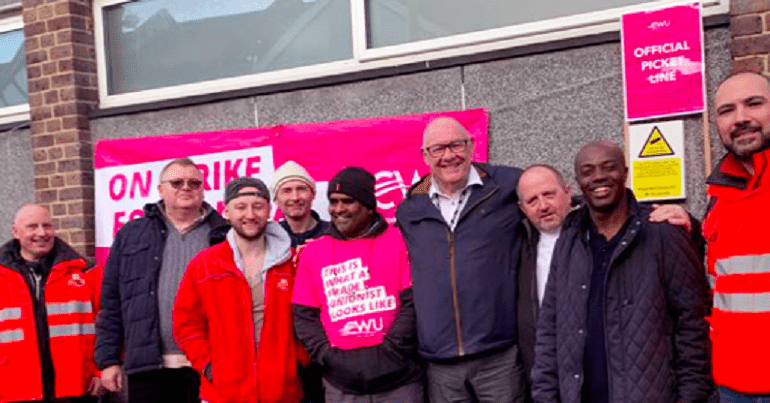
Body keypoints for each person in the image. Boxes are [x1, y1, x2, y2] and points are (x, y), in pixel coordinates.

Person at [531, 141, 712, 403]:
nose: (599, 177)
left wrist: (691, 397)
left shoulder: (663, 233)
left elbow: (693, 326)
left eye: (609, 167)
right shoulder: (569, 241)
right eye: (588, 171)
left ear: (625, 172)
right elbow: (550, 328)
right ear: (579, 182)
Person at [396, 117, 526, 402]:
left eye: (456, 145)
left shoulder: (507, 185)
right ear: (425, 156)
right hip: (440, 363)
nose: (449, 156)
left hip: (498, 354)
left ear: (471, 145)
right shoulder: (409, 208)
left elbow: (553, 199)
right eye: (438, 149)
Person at [96, 158, 229, 403]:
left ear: (203, 188)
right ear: (160, 189)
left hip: (211, 364)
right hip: (148, 366)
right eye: (177, 182)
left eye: (194, 183)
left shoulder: (224, 234)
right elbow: (112, 301)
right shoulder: (131, 234)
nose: (186, 188)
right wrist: (109, 360)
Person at [292, 167, 423, 403]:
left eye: (348, 201)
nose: (338, 209)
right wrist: (328, 355)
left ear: (368, 205)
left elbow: (413, 302)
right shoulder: (313, 252)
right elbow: (304, 316)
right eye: (333, 201)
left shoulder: (399, 240)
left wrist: (390, 351)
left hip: (398, 379)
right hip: (341, 382)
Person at [174, 177, 306, 403]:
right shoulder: (204, 264)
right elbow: (186, 325)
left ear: (269, 210)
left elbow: (312, 319)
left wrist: (296, 362)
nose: (250, 215)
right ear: (226, 212)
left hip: (283, 393)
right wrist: (208, 367)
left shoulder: (294, 262)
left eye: (258, 207)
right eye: (241, 207)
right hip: (222, 394)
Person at [704, 71, 770, 400]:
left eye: (754, 103)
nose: (741, 118)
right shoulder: (718, 198)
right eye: (726, 110)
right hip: (733, 387)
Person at [0, 204, 102, 402]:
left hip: (77, 388)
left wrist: (101, 370)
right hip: (14, 389)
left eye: (47, 226)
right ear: (15, 231)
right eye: (32, 226)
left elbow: (108, 324)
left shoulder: (85, 273)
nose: (41, 233)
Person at [272, 160, 330, 248]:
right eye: (286, 191)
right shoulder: (270, 240)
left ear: (313, 194)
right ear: (276, 200)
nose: (295, 197)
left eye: (301, 189)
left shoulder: (332, 234)